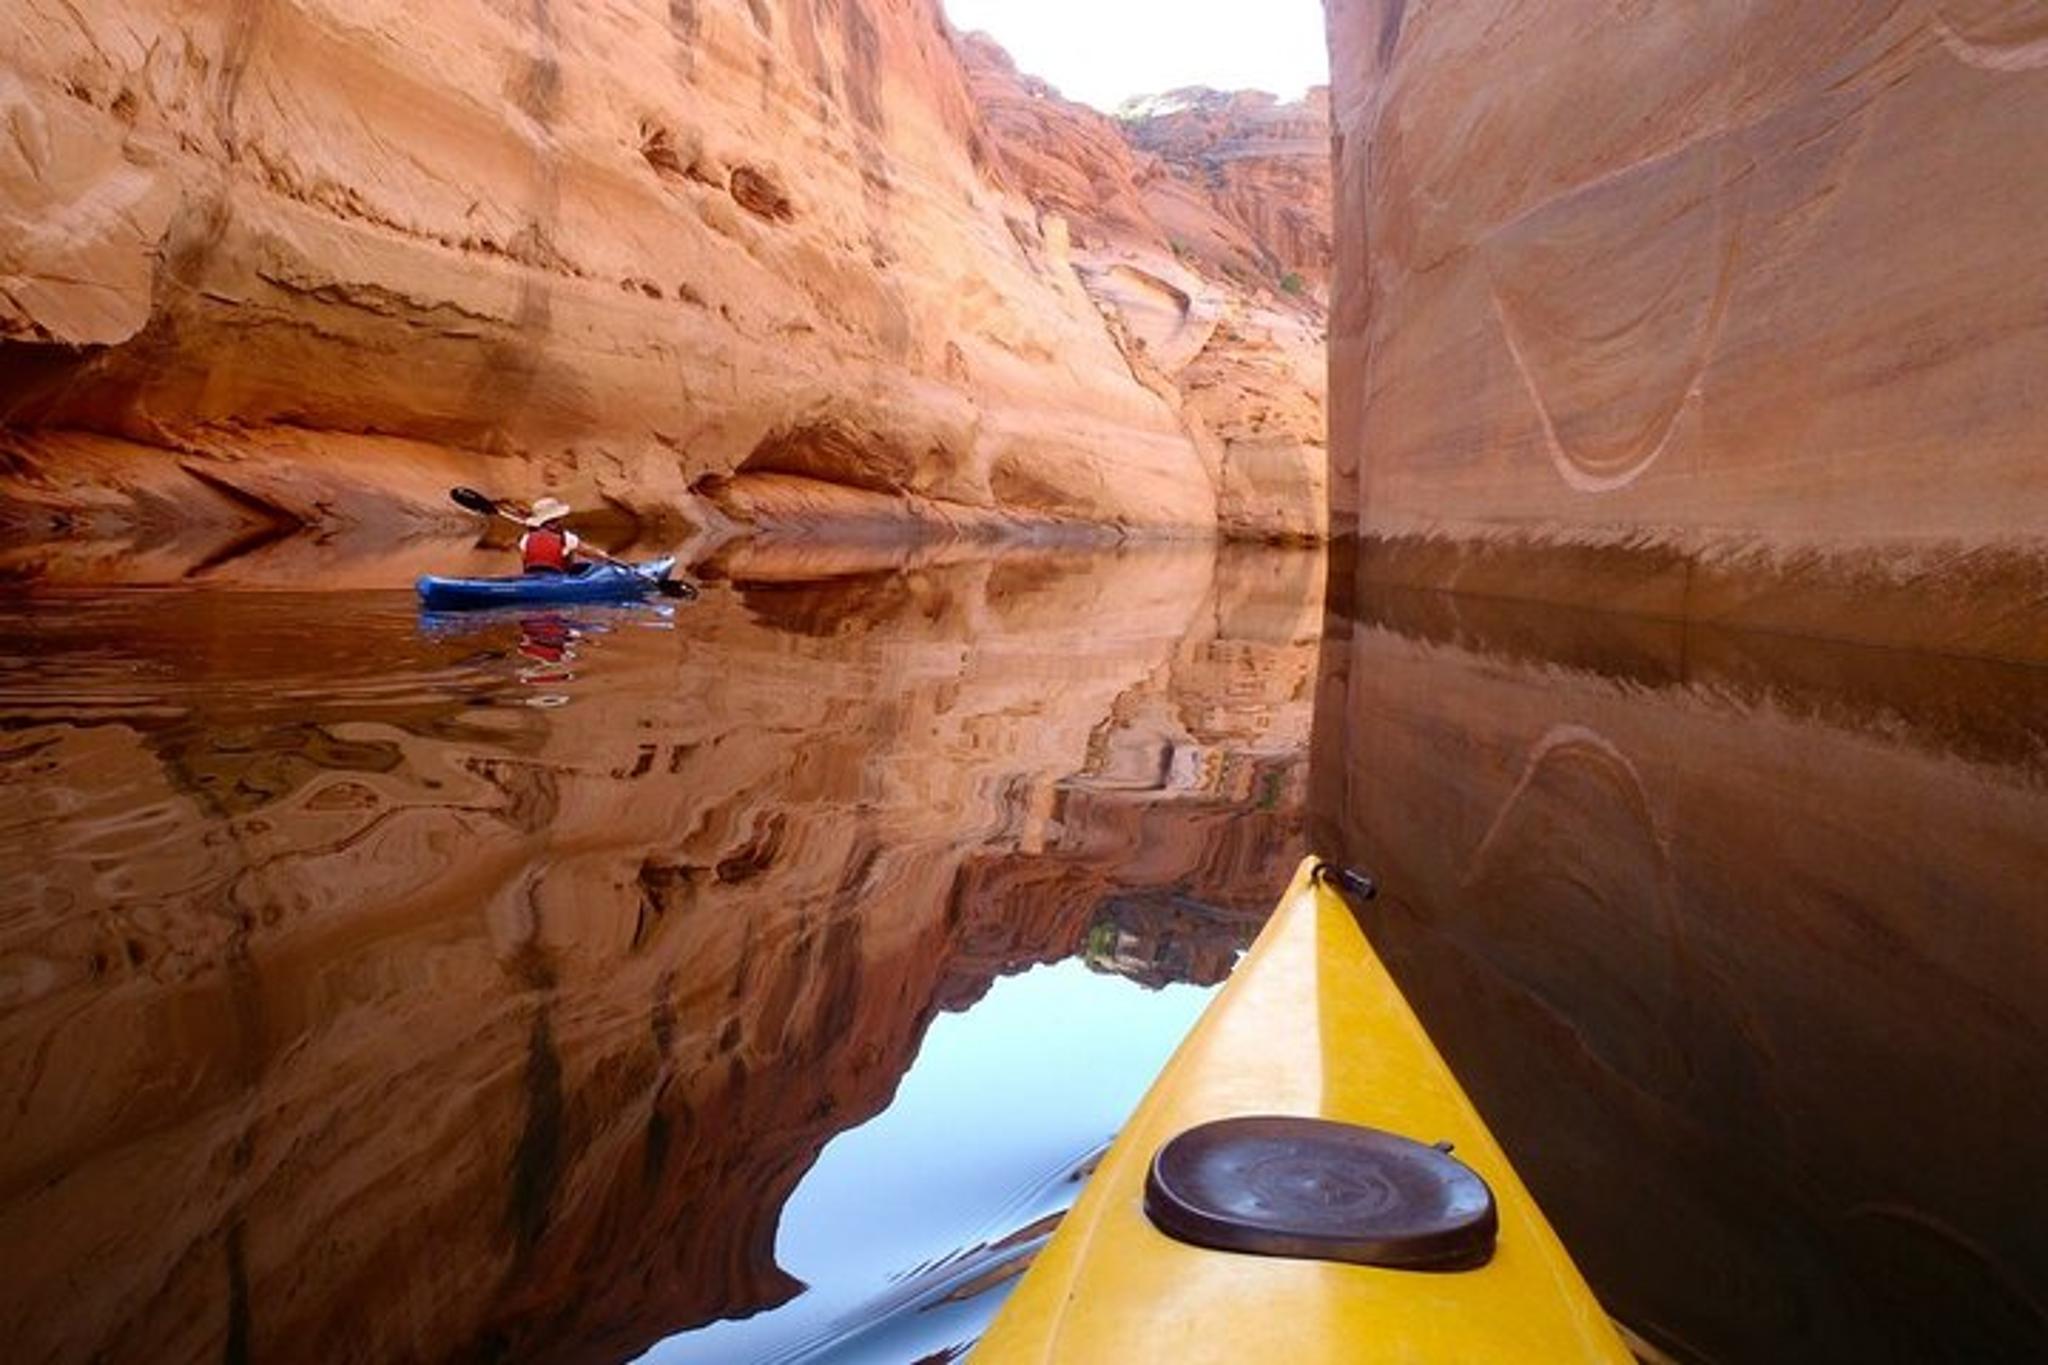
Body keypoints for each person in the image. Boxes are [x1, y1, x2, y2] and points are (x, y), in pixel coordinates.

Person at [518, 497, 582, 574]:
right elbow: (586, 551)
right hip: (558, 581)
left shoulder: (526, 538)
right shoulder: (566, 538)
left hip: (532, 580)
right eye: (558, 519)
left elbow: (524, 559)